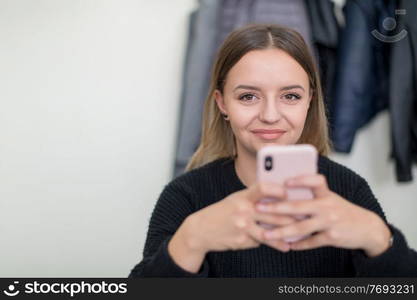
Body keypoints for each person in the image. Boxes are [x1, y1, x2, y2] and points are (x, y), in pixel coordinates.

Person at [129, 24, 417, 277]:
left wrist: (380, 240)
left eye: (290, 96)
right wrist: (191, 240)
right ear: (222, 103)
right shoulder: (184, 196)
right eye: (248, 96)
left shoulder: (349, 190)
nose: (269, 115)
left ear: (308, 102)